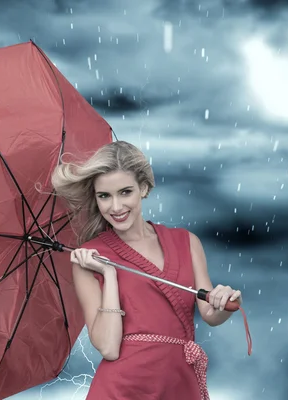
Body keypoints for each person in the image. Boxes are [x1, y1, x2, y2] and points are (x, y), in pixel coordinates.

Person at [50, 141, 243, 400]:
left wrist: (225, 301)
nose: (116, 207)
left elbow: (210, 314)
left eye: (125, 192)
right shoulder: (89, 258)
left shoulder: (187, 242)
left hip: (180, 384)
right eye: (104, 196)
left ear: (143, 188)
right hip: (121, 389)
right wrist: (109, 274)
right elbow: (109, 348)